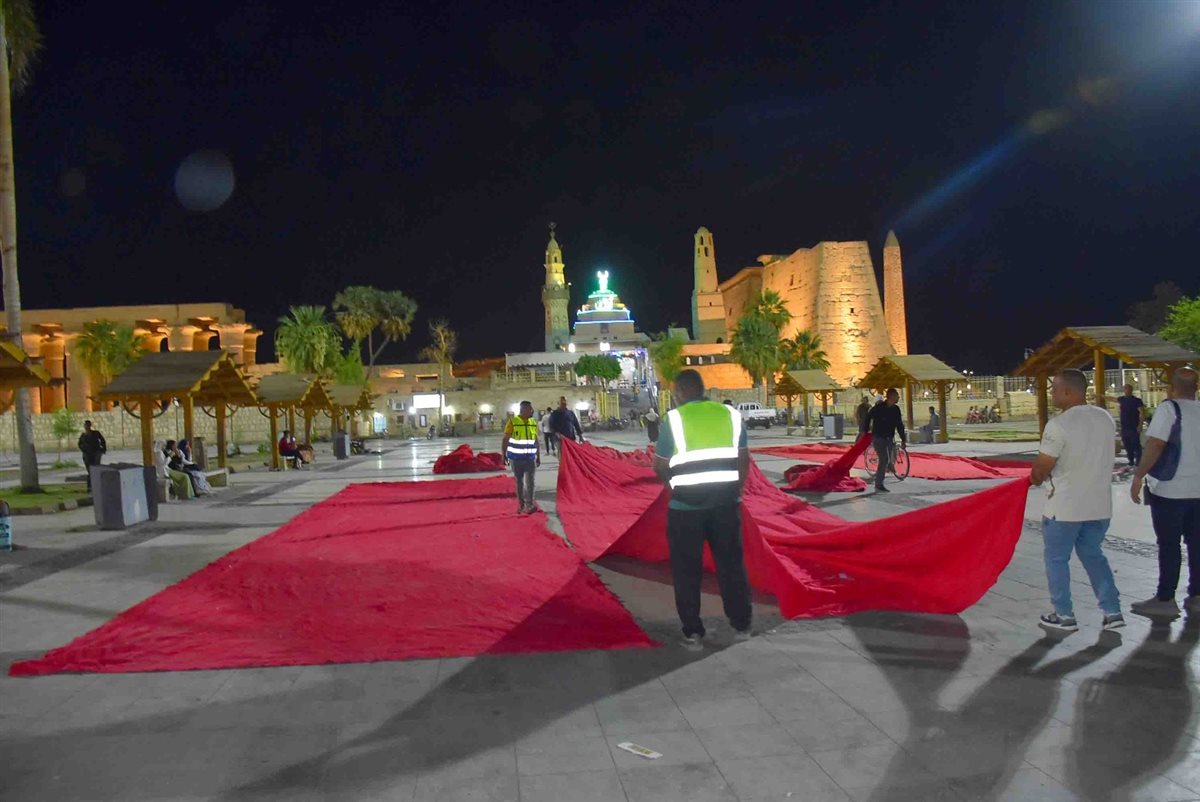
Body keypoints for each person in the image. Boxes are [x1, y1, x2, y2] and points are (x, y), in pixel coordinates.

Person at [653, 369, 752, 650]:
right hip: (726, 504)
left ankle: (693, 632)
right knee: (731, 566)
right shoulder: (730, 415)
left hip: (686, 508)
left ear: (681, 393)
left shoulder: (674, 419)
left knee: (687, 570)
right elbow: (743, 460)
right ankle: (742, 625)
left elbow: (659, 467)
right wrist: (736, 489)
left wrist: (673, 486)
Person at [1030, 369, 1124, 632]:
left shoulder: (1059, 425)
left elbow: (1042, 468)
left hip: (1065, 506)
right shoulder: (1105, 418)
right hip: (1100, 505)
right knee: (1094, 555)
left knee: (1057, 559)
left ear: (1068, 392)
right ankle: (1112, 610)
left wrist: (1034, 477)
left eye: (1055, 389)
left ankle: (1063, 614)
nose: (1052, 394)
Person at [1130, 368, 1200, 617]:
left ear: (1172, 387)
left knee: (1169, 545)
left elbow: (1156, 443)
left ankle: (1166, 598)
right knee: (1197, 544)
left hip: (1170, 490)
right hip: (1198, 491)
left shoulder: (1169, 409)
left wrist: (1138, 475)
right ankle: (1197, 596)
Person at [861, 388, 906, 492]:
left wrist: (903, 439)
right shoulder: (879, 408)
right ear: (891, 397)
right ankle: (879, 484)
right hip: (878, 437)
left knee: (889, 457)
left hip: (889, 437)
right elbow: (868, 417)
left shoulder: (896, 409)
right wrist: (865, 430)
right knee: (884, 459)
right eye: (896, 396)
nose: (898, 397)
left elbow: (899, 425)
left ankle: (888, 469)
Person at [501, 400, 541, 514]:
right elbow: (505, 439)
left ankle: (530, 504)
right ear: (522, 409)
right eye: (529, 409)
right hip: (516, 458)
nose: (531, 410)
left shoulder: (533, 422)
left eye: (531, 409)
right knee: (519, 481)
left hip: (530, 458)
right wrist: (504, 455)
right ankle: (521, 504)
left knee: (531, 481)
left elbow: (535, 439)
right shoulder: (513, 422)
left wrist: (538, 456)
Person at [1117, 383, 1146, 467]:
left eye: (1128, 388)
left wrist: (1140, 425)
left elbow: (1142, 413)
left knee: (1136, 444)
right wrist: (1100, 396)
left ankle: (1138, 461)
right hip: (1124, 427)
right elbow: (1112, 399)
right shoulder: (1122, 399)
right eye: (1125, 389)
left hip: (1134, 426)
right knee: (1127, 444)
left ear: (1131, 390)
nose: (1126, 390)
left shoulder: (1136, 401)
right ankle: (1131, 460)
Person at [77, 420, 107, 492]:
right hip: (87, 456)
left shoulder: (96, 433)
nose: (86, 427)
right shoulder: (83, 436)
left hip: (95, 455)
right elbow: (79, 444)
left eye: (87, 425)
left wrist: (103, 450)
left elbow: (102, 440)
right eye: (85, 425)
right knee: (90, 471)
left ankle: (94, 487)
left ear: (90, 425)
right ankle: (90, 488)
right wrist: (84, 449)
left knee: (95, 470)